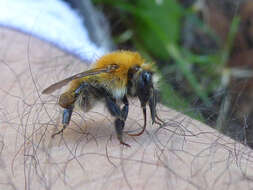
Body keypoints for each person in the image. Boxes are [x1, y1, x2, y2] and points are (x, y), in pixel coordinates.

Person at [1, 1, 253, 189]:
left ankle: (36, 16)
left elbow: (141, 92)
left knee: (119, 101)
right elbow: (96, 89)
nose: (146, 89)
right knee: (102, 95)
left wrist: (153, 114)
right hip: (87, 89)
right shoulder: (114, 71)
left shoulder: (132, 75)